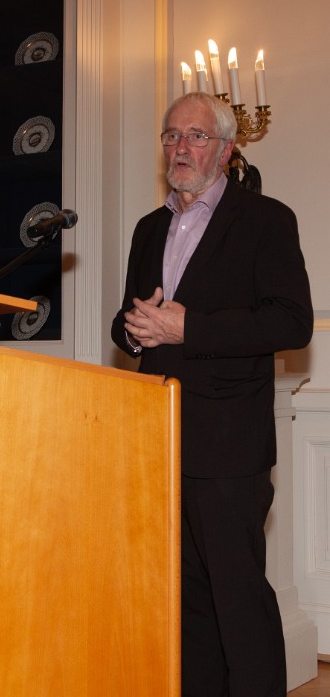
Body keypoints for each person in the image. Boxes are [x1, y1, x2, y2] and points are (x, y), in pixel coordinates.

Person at [111, 92, 313, 697]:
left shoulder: (266, 219)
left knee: (238, 599)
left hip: (228, 446)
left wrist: (189, 328)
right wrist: (133, 328)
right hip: (160, 439)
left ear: (225, 150)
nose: (180, 147)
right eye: (172, 136)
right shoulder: (149, 228)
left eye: (195, 136)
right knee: (187, 599)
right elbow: (129, 321)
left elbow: (292, 322)